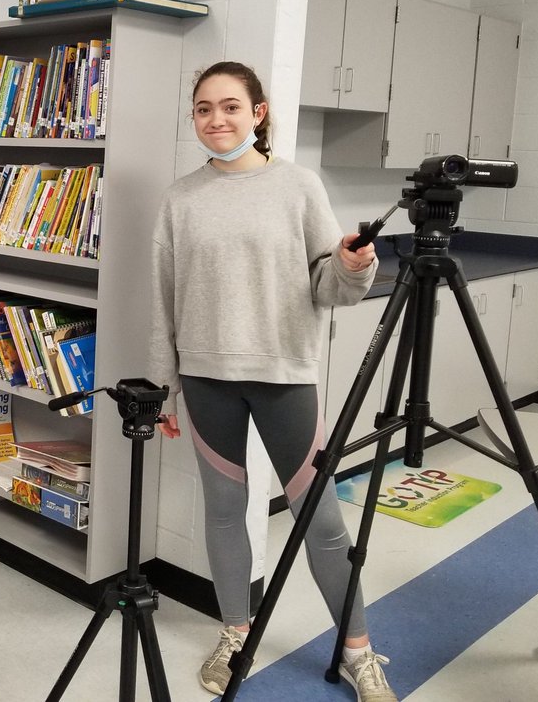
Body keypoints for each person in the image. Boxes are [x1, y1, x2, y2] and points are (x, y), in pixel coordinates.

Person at [148, 61, 396, 702]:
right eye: (204, 108)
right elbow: (163, 300)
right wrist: (163, 385)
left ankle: (357, 649)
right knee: (224, 513)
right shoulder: (180, 198)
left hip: (284, 376)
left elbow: (329, 286)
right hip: (207, 380)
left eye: (230, 106)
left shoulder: (297, 186)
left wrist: (353, 265)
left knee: (321, 519)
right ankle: (237, 633)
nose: (216, 119)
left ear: (257, 113)